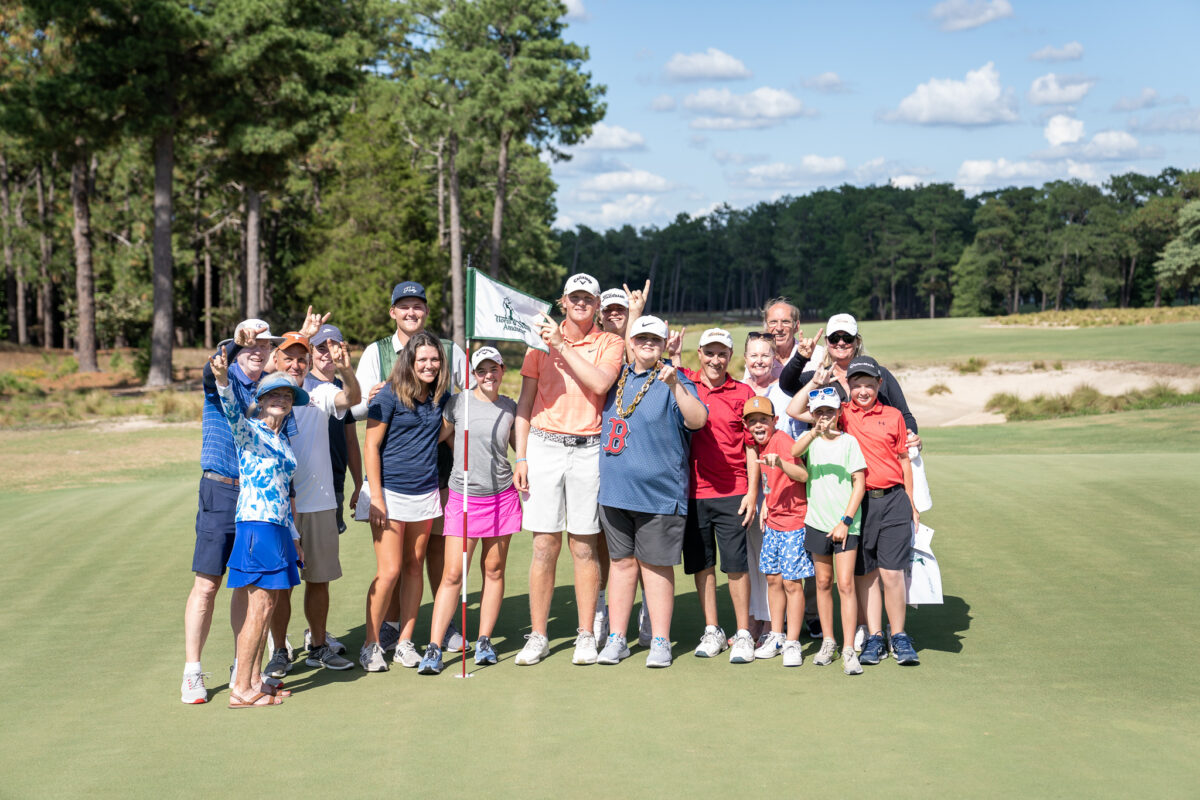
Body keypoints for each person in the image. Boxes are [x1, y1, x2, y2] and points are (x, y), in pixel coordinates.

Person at [779, 312, 917, 641]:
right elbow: (790, 397)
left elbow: (904, 422)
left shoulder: (883, 387)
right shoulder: (831, 393)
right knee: (861, 573)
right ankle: (870, 633)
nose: (841, 344)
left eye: (848, 339)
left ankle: (894, 633)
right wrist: (809, 370)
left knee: (889, 570)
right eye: (835, 338)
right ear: (828, 342)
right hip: (850, 496)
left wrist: (912, 435)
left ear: (857, 341)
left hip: (887, 489)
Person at [350, 281, 470, 655]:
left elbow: (459, 411)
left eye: (418, 306)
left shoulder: (449, 354)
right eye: (404, 306)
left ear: (426, 311)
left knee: (426, 555)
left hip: (435, 478)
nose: (411, 312)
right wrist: (374, 492)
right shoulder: (377, 353)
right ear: (393, 312)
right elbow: (358, 411)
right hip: (391, 479)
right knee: (391, 568)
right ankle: (383, 631)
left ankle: (436, 625)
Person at [512, 273, 624, 666]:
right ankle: (539, 635)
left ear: (596, 305)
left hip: (589, 448)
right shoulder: (537, 341)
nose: (581, 304)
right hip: (544, 447)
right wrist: (521, 456)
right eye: (574, 298)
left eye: (588, 299)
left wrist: (561, 345)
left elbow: (598, 383)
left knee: (583, 544)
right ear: (562, 302)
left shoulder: (610, 342)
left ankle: (585, 634)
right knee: (544, 545)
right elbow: (525, 405)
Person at [595, 317, 708, 668]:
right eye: (641, 338)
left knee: (656, 567)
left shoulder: (673, 378)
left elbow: (698, 419)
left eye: (654, 339)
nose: (647, 344)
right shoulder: (615, 377)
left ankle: (660, 639)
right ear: (630, 342)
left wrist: (675, 385)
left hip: (658, 495)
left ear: (662, 345)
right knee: (621, 565)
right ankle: (617, 637)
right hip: (615, 493)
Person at [180, 318, 282, 704]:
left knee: (246, 584)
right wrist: (228, 353)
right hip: (221, 489)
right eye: (249, 345)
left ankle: (242, 669)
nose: (257, 351)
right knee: (207, 584)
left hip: (258, 499)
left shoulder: (271, 390)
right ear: (236, 350)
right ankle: (192, 671)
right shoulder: (221, 379)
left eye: (263, 345)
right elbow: (212, 372)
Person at [209, 350, 307, 709]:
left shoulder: (283, 440)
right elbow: (231, 409)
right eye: (274, 395)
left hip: (279, 527)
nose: (282, 400)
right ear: (261, 400)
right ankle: (240, 689)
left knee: (270, 604)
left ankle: (253, 681)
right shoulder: (249, 430)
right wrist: (222, 379)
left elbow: (283, 491)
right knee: (260, 606)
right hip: (256, 524)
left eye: (287, 396)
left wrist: (294, 536)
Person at [262, 328, 361, 677]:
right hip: (276, 506)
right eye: (288, 357)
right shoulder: (266, 395)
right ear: (276, 360)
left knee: (318, 580)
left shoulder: (320, 393)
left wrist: (347, 370)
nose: (296, 364)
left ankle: (318, 645)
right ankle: (279, 652)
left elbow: (350, 399)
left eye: (301, 358)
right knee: (281, 583)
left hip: (318, 504)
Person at [418, 347, 521, 674]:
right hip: (463, 499)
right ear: (473, 373)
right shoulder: (458, 403)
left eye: (494, 369)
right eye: (481, 370)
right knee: (452, 574)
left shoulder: (510, 408)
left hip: (502, 497)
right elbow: (436, 437)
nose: (488, 375)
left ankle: (485, 640)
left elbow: (522, 448)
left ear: (503, 370)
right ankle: (434, 647)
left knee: (493, 570)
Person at [359, 332, 453, 672]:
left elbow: (439, 434)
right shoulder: (388, 395)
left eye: (434, 359)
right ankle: (370, 644)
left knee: (414, 568)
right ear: (410, 362)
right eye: (422, 360)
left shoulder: (440, 398)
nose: (429, 365)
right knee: (390, 571)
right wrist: (377, 497)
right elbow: (371, 445)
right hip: (390, 495)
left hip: (426, 492)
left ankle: (405, 643)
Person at [670, 328, 760, 664]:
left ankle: (744, 633)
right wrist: (674, 356)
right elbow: (666, 374)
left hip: (733, 491)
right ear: (700, 353)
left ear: (730, 356)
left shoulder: (743, 392)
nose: (715, 360)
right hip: (693, 491)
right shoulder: (687, 381)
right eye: (709, 353)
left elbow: (752, 446)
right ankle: (713, 629)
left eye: (722, 353)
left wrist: (752, 492)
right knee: (702, 564)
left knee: (735, 565)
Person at [791, 387, 866, 676]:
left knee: (845, 584)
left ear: (838, 413)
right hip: (816, 522)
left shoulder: (849, 442)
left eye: (829, 412)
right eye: (819, 412)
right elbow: (793, 452)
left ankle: (848, 648)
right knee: (822, 583)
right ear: (812, 414)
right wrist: (813, 431)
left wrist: (845, 521)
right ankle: (829, 641)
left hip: (846, 524)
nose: (824, 417)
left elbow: (859, 483)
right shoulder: (809, 440)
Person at [595, 281, 652, 646]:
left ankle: (647, 610)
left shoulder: (639, 347)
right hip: (601, 455)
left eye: (622, 310)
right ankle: (604, 609)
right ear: (601, 315)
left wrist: (637, 315)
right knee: (604, 542)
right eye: (610, 310)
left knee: (645, 544)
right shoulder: (600, 347)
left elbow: (636, 360)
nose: (616, 315)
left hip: (638, 457)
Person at [744, 396, 811, 666]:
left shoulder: (782, 441)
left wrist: (782, 464)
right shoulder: (761, 446)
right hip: (772, 521)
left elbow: (802, 475)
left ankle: (793, 642)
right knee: (773, 579)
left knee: (792, 584)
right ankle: (777, 634)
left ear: (775, 421)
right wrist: (765, 506)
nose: (758, 425)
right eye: (752, 421)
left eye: (763, 420)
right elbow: (771, 483)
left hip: (794, 523)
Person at [309, 324, 363, 536]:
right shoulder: (300, 384)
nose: (327, 354)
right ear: (311, 351)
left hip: (334, 483)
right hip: (304, 484)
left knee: (326, 558)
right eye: (321, 347)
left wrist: (358, 483)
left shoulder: (345, 387)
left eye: (333, 348)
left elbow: (350, 440)